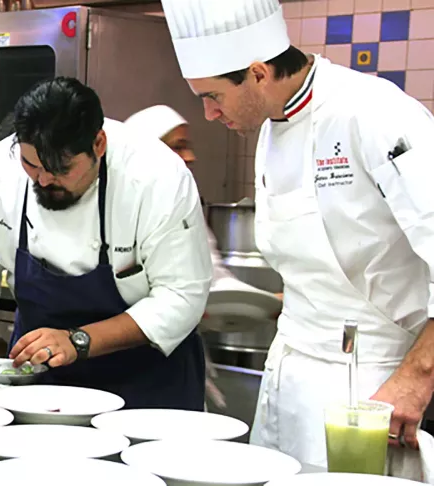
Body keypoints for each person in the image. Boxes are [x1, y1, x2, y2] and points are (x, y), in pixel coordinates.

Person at [162, 0, 434, 475]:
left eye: (214, 97)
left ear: (258, 72)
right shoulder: (270, 128)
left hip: (374, 384)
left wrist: (418, 376)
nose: (207, 114)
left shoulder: (374, 113)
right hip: (289, 375)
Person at [0, 77, 212, 410]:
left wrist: (79, 340)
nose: (43, 180)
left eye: (60, 169)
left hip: (148, 385)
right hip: (41, 381)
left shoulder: (156, 176)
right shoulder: (0, 168)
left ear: (98, 144)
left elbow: (181, 296)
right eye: (31, 165)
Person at [125, 105, 238, 410]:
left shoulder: (183, 203)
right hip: (125, 362)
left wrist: (257, 301)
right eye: (178, 146)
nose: (190, 156)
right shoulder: (123, 208)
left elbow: (210, 274)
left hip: (175, 364)